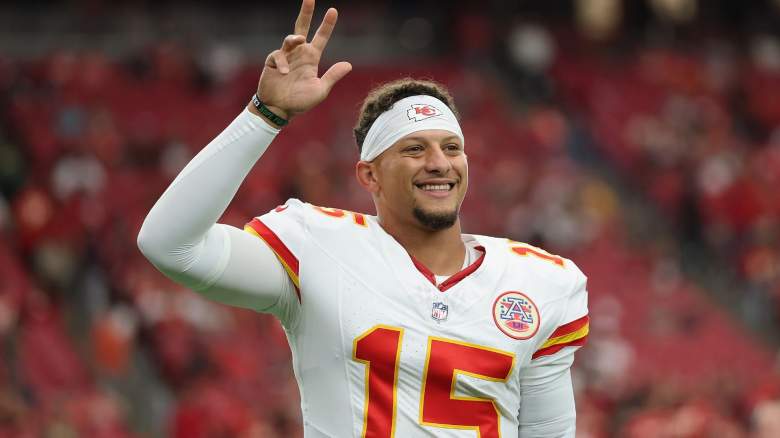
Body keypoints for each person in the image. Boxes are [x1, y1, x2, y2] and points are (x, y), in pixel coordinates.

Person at [137, 0, 589, 436]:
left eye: (451, 148)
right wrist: (264, 115)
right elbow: (169, 245)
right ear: (369, 175)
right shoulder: (316, 245)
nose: (439, 163)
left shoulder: (540, 282)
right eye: (414, 149)